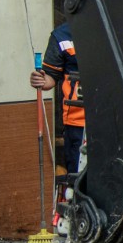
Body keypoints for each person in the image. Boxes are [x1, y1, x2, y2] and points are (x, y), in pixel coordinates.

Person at [29, 21, 84, 174]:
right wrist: (40, 80)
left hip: (111, 119)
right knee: (77, 175)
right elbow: (50, 78)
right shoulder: (62, 35)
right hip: (77, 122)